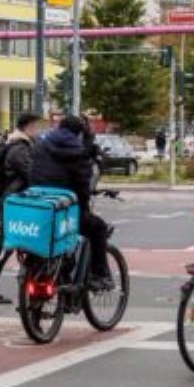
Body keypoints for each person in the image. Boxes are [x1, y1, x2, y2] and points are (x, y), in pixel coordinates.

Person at [29, 115, 114, 291]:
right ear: (79, 134)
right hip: (64, 210)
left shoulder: (40, 146)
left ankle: (59, 272)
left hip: (40, 208)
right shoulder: (78, 154)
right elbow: (83, 187)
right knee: (98, 228)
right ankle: (100, 275)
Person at [0, 112, 46, 304]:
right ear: (28, 127)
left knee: (24, 241)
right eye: (37, 126)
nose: (39, 131)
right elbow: (32, 174)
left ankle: (31, 284)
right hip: (14, 202)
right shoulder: (19, 149)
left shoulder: (20, 145)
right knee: (6, 244)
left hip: (16, 202)